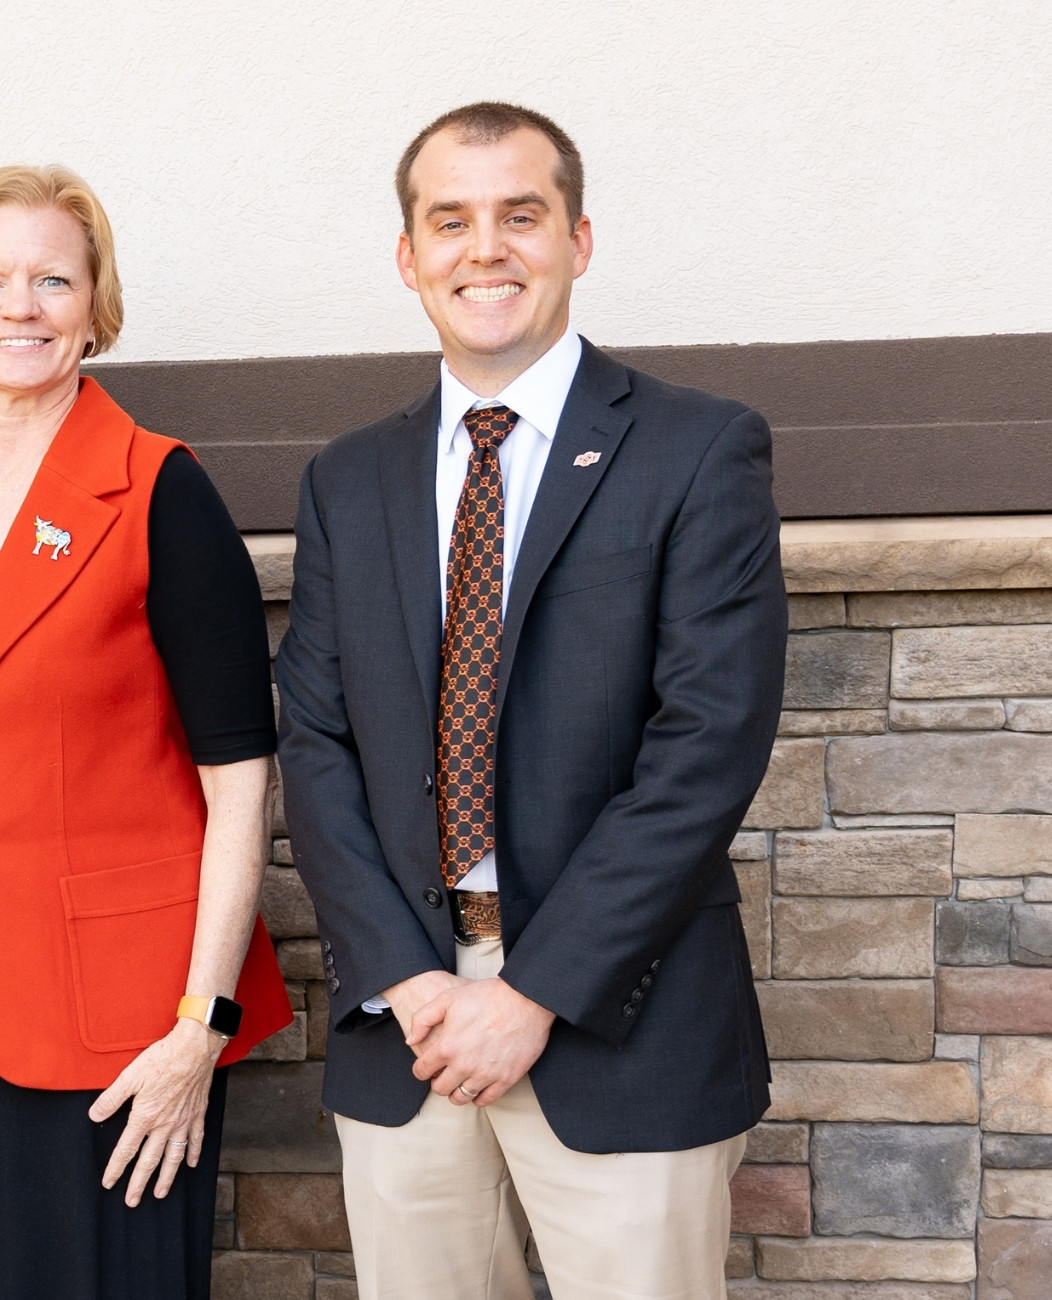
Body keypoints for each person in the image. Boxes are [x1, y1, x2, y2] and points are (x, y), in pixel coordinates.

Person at [274, 102, 787, 1299]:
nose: (484, 249)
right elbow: (319, 738)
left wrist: (535, 989)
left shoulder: (697, 449)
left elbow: (705, 747)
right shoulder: (348, 478)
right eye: (449, 220)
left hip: (621, 1021)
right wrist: (409, 979)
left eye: (520, 215)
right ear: (409, 258)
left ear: (579, 238)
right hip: (405, 1030)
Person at [0, 165, 295, 1300]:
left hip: (129, 1034)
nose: (21, 307)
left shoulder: (157, 490)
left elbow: (241, 786)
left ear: (95, 307)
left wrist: (199, 1027)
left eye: (54, 279)